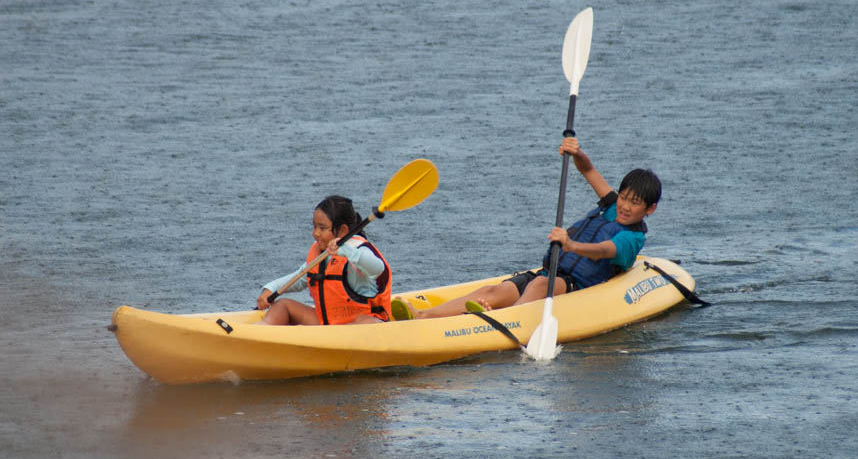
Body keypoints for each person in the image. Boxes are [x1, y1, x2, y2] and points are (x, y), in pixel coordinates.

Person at [391, 136, 660, 320]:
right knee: (496, 291)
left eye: (634, 203)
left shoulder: (632, 238)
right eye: (624, 197)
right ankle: (422, 315)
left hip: (577, 287)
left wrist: (571, 245)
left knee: (541, 283)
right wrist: (576, 152)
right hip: (549, 273)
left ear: (649, 209)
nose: (624, 206)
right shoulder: (612, 205)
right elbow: (588, 170)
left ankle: (499, 320)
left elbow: (604, 250)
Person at [256, 195, 392, 325]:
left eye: (322, 228)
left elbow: (378, 268)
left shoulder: (357, 251)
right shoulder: (322, 256)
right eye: (314, 226)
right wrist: (271, 288)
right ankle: (260, 330)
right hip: (328, 324)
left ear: (343, 230)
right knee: (283, 304)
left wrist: (347, 251)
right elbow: (300, 277)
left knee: (365, 322)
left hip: (363, 325)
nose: (316, 233)